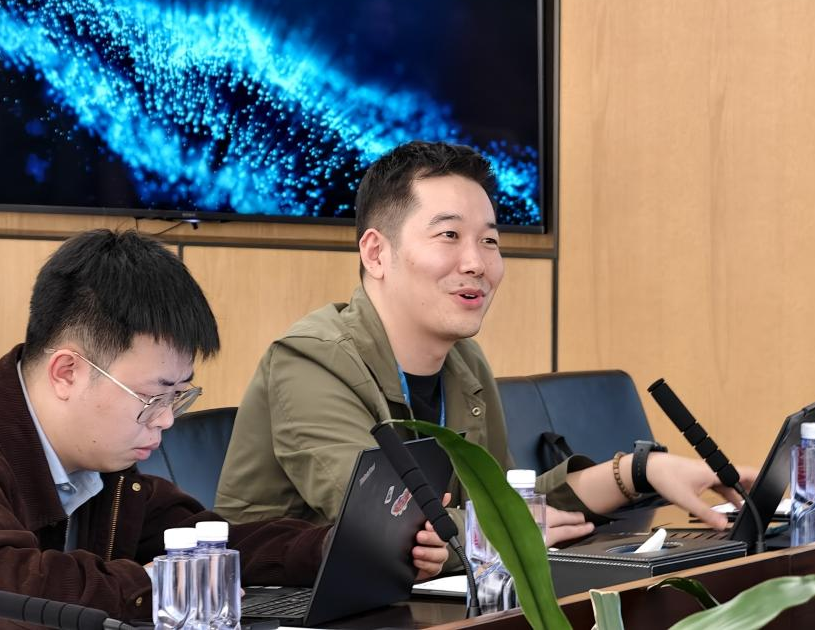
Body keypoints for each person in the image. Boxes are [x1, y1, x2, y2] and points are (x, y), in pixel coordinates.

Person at [0, 229, 445, 629]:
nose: (165, 419)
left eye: (178, 396)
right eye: (151, 397)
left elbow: (204, 540)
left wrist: (338, 550)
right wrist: (175, 586)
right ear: (66, 372)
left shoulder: (98, 462)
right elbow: (1, 593)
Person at [215, 141, 753, 545]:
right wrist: (508, 531)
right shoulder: (309, 360)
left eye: (490, 240)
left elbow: (506, 505)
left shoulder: (463, 361)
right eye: (449, 235)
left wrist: (639, 472)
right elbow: (386, 522)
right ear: (376, 254)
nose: (477, 262)